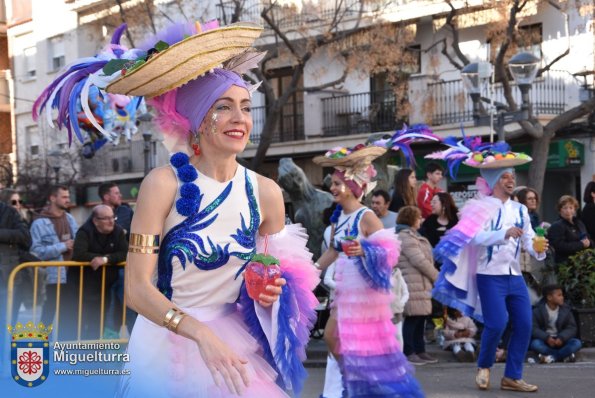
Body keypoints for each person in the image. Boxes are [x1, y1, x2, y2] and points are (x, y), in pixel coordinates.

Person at [31, 21, 322, 396]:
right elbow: (136, 291)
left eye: (246, 107)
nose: (240, 118)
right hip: (166, 349)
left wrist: (270, 295)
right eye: (223, 106)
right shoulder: (163, 183)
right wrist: (200, 333)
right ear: (196, 121)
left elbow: (282, 287)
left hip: (235, 352)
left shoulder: (266, 192)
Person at [429, 140, 547, 392]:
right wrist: (503, 233)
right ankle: (484, 366)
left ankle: (512, 376)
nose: (510, 180)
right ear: (493, 179)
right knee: (496, 323)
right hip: (488, 275)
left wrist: (540, 249)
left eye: (512, 176)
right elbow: (476, 238)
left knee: (525, 324)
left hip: (514, 275)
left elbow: (528, 241)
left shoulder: (520, 210)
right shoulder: (478, 207)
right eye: (504, 176)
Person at [314, 145, 424, 396]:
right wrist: (310, 271)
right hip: (345, 289)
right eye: (331, 184)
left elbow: (390, 253)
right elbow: (333, 251)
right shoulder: (338, 217)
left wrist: (364, 251)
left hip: (365, 293)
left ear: (352, 186)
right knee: (331, 337)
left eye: (336, 184)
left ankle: (363, 385)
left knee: (361, 348)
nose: (331, 188)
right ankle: (354, 381)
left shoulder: (367, 217)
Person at [70, 205, 128, 339]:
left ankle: (97, 353)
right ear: (95, 221)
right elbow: (79, 254)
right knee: (81, 323)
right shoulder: (84, 231)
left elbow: (125, 253)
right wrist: (94, 258)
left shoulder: (117, 231)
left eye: (113, 217)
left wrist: (105, 259)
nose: (111, 221)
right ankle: (77, 354)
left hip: (107, 286)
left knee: (101, 322)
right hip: (83, 286)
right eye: (106, 218)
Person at [30, 185, 78, 332]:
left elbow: (78, 240)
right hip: (52, 278)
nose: (67, 200)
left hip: (72, 275)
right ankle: (42, 349)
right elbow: (35, 252)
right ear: (52, 198)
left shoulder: (69, 218)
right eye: (64, 197)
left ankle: (65, 351)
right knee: (48, 316)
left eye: (68, 197)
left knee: (69, 317)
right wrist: (62, 246)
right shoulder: (39, 223)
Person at [395, 205, 438, 365]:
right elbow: (419, 260)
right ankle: (409, 350)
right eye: (418, 217)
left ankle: (420, 350)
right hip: (412, 282)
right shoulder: (405, 237)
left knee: (421, 318)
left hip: (421, 283)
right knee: (413, 317)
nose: (421, 220)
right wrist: (436, 276)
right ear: (411, 219)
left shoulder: (413, 236)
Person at [98, 182, 137, 335]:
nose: (120, 195)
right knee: (111, 311)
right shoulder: (96, 214)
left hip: (126, 269)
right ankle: (111, 351)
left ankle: (137, 345)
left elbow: (135, 234)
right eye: (116, 193)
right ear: (106, 197)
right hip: (106, 272)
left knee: (131, 309)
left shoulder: (126, 211)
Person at [0, 197, 31, 370]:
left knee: (5, 320)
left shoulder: (9, 212)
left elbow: (25, 237)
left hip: (5, 278)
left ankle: (4, 361)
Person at [530, 284, 582, 363]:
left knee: (577, 343)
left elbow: (571, 327)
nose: (562, 297)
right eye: (559, 295)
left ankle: (551, 357)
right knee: (535, 344)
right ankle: (563, 356)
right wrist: (546, 338)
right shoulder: (537, 311)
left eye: (562, 295)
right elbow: (533, 328)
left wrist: (561, 338)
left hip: (561, 340)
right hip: (545, 341)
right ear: (549, 297)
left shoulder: (566, 310)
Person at [548, 195, 593, 265]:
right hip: (566, 265)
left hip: (583, 262)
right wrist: (581, 244)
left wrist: (589, 243)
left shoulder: (579, 223)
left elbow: (588, 237)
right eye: (565, 208)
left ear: (575, 209)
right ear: (560, 210)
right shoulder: (557, 226)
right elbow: (559, 246)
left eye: (571, 208)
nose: (568, 211)